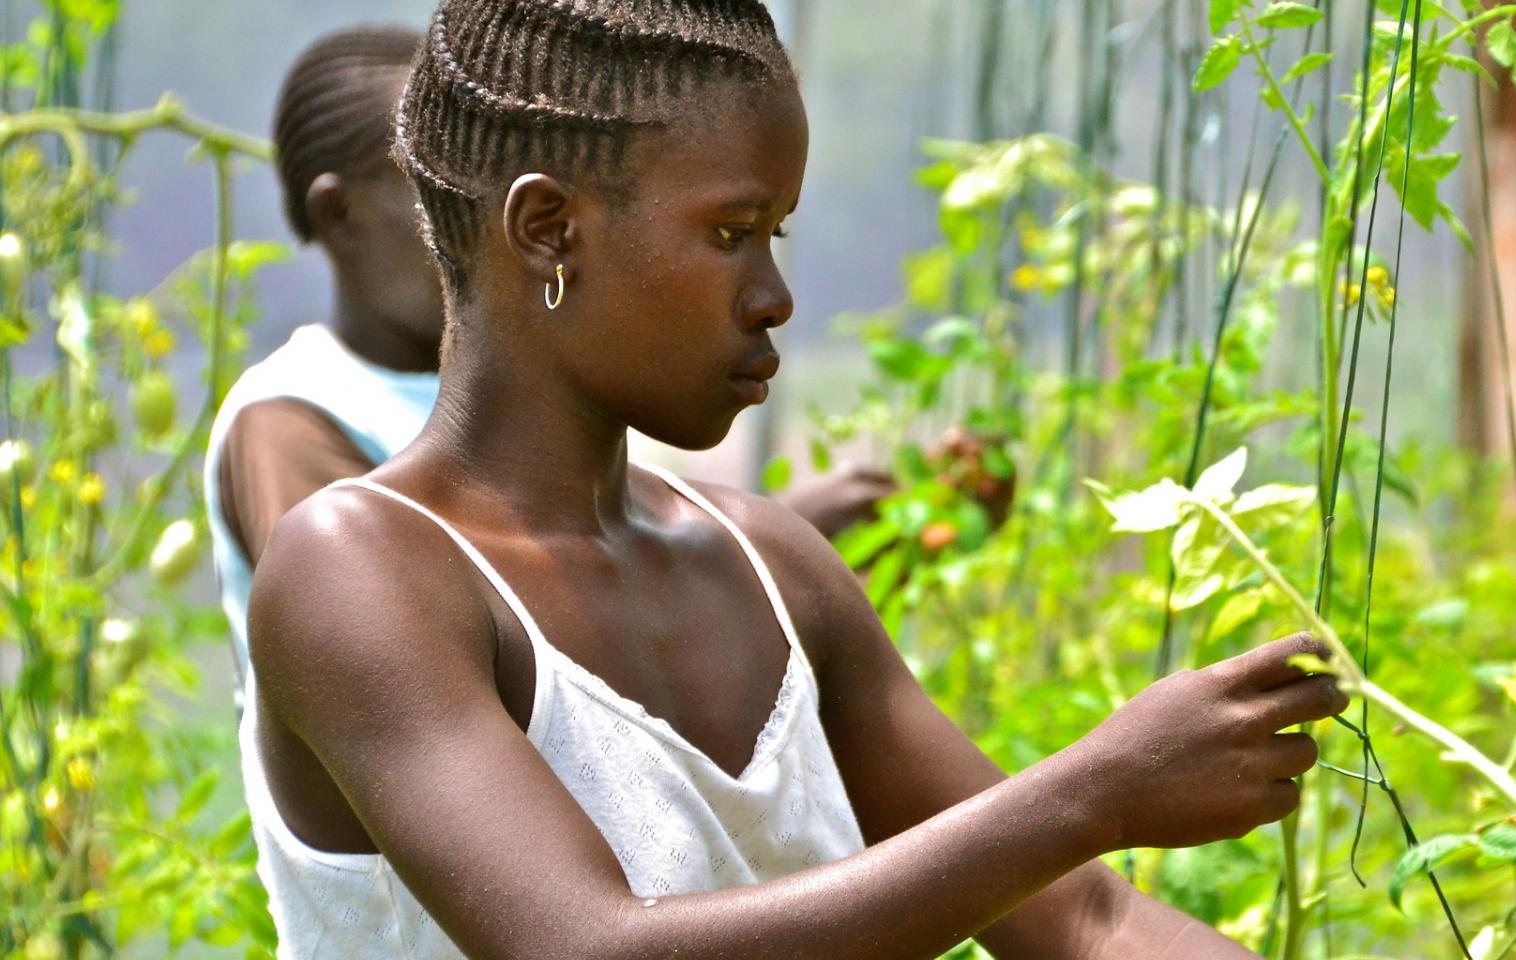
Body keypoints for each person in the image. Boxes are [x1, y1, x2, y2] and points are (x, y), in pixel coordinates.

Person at [242, 2, 1347, 958]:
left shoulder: (774, 568)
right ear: (547, 231)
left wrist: (1085, 817)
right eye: (731, 231)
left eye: (776, 232)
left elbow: (1088, 926)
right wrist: (1090, 793)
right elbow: (583, 948)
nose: (773, 294)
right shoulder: (362, 571)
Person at [204, 24, 893, 688]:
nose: (467, 203)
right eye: (429, 186)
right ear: (338, 214)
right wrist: (760, 552)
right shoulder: (293, 416)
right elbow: (392, 628)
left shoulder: (532, 401)